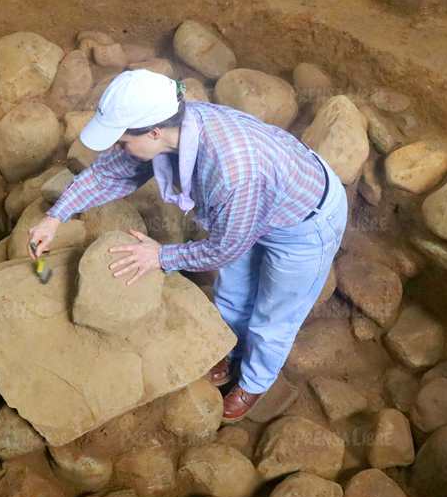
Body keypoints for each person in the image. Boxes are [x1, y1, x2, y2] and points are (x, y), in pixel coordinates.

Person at [28, 69, 347, 422]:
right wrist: (56, 216)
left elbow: (225, 248)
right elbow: (109, 174)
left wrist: (160, 256)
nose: (121, 148)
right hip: (254, 206)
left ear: (153, 132)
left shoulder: (232, 172)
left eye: (122, 141)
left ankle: (254, 383)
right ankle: (228, 350)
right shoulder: (172, 129)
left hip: (302, 223)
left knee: (272, 318)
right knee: (231, 292)